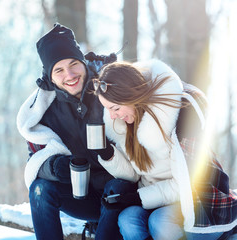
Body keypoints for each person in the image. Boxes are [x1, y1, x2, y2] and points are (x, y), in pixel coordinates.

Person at [93, 60, 237, 240]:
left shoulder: (176, 120)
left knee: (159, 222)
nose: (112, 116)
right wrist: (108, 155)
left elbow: (184, 184)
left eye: (115, 108)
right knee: (128, 219)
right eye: (108, 109)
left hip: (191, 196)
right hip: (152, 195)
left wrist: (138, 198)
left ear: (131, 97)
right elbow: (135, 174)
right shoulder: (125, 124)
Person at [16, 23, 132, 240]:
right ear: (50, 77)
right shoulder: (43, 113)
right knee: (40, 190)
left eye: (73, 64)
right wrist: (54, 166)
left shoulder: (109, 91)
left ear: (84, 63)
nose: (69, 75)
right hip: (82, 197)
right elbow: (35, 163)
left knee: (117, 188)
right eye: (58, 70)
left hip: (122, 193)